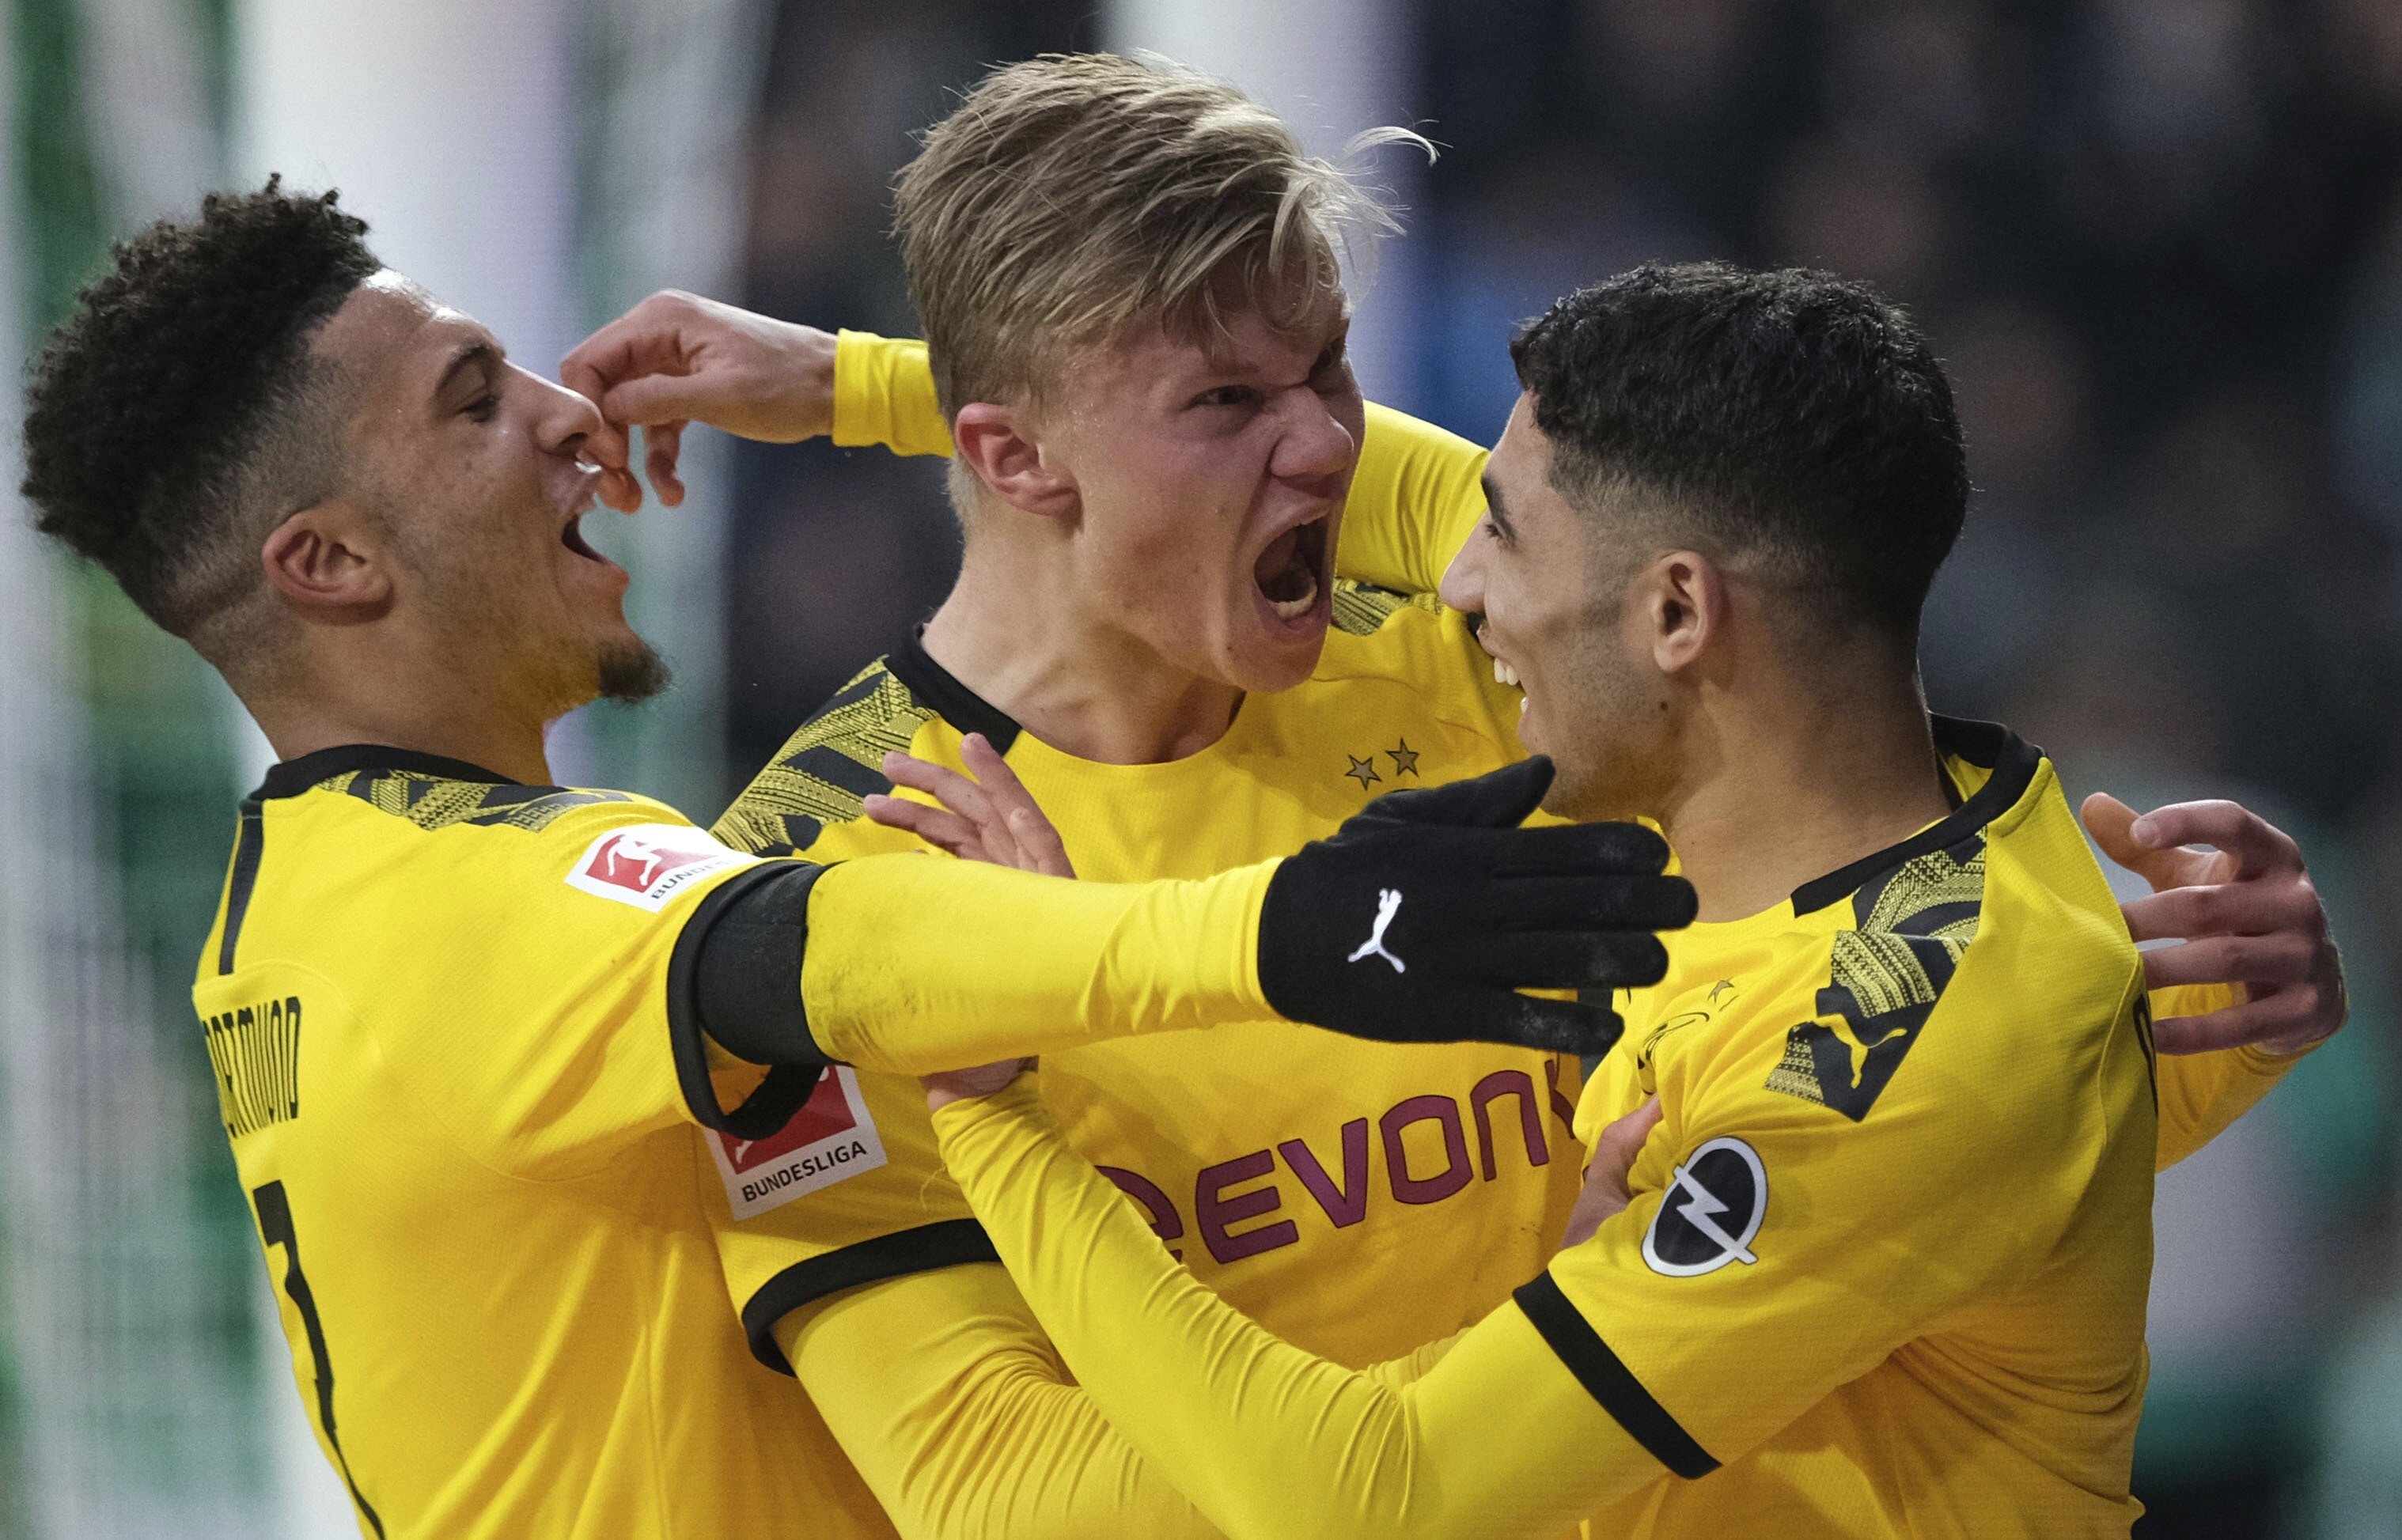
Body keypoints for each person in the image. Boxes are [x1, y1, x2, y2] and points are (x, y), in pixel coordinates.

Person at [564, 53, 2343, 1540]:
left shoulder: (1499, 668)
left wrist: (2133, 1027)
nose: (1331, 445)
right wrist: (1515, 1389)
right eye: (1231, 398)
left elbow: (1852, 1115)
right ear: (1013, 457)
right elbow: (1004, 1495)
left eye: (1332, 367)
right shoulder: (814, 885)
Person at [15, 181, 1684, 1540]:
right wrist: (1286, 934)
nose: (568, 412)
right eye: (474, 400)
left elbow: (1585, 551)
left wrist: (871, 390)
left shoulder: (327, 899)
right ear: (325, 562)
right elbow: (821, 952)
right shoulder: (510, 901)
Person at [906, 263, 2343, 1538]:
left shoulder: (1882, 1054)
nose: (1458, 588)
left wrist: (992, 1110)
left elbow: (1365, 1497)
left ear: (1677, 614)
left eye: (1506, 534)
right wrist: (862, 386)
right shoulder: (1903, 843)